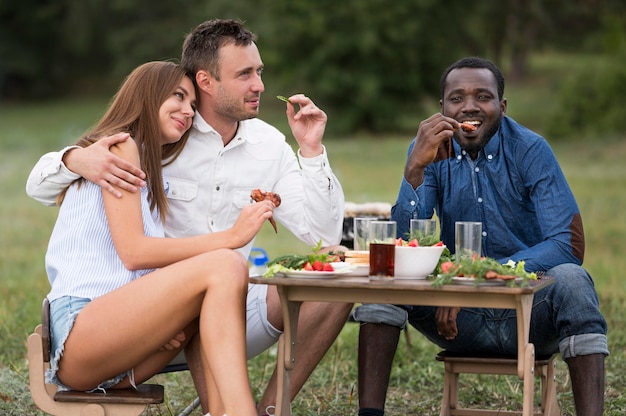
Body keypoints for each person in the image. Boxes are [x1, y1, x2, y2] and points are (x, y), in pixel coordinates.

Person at [26, 19, 352, 416]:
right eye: (245, 73)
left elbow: (322, 232)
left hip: (154, 331)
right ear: (207, 80)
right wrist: (74, 157)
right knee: (222, 265)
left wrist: (312, 152)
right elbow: (127, 247)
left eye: (260, 72)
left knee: (330, 266)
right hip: (104, 324)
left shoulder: (262, 145)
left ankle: (257, 410)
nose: (260, 85)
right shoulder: (125, 148)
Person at [353, 57, 608, 416]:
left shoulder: (531, 150)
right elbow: (404, 244)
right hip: (457, 319)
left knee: (574, 281)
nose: (469, 106)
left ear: (501, 107)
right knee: (383, 282)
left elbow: (568, 244)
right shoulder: (427, 149)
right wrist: (415, 169)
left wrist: (475, 279)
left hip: (530, 313)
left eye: (482, 97)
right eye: (456, 98)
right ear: (442, 108)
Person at [41, 61, 273, 416]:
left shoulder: (149, 172)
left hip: (124, 356)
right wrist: (232, 237)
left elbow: (129, 269)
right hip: (81, 332)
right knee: (226, 262)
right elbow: (134, 252)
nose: (188, 111)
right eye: (178, 96)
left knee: (214, 288)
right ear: (147, 95)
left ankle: (223, 411)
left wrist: (164, 320)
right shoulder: (118, 149)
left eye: (194, 105)